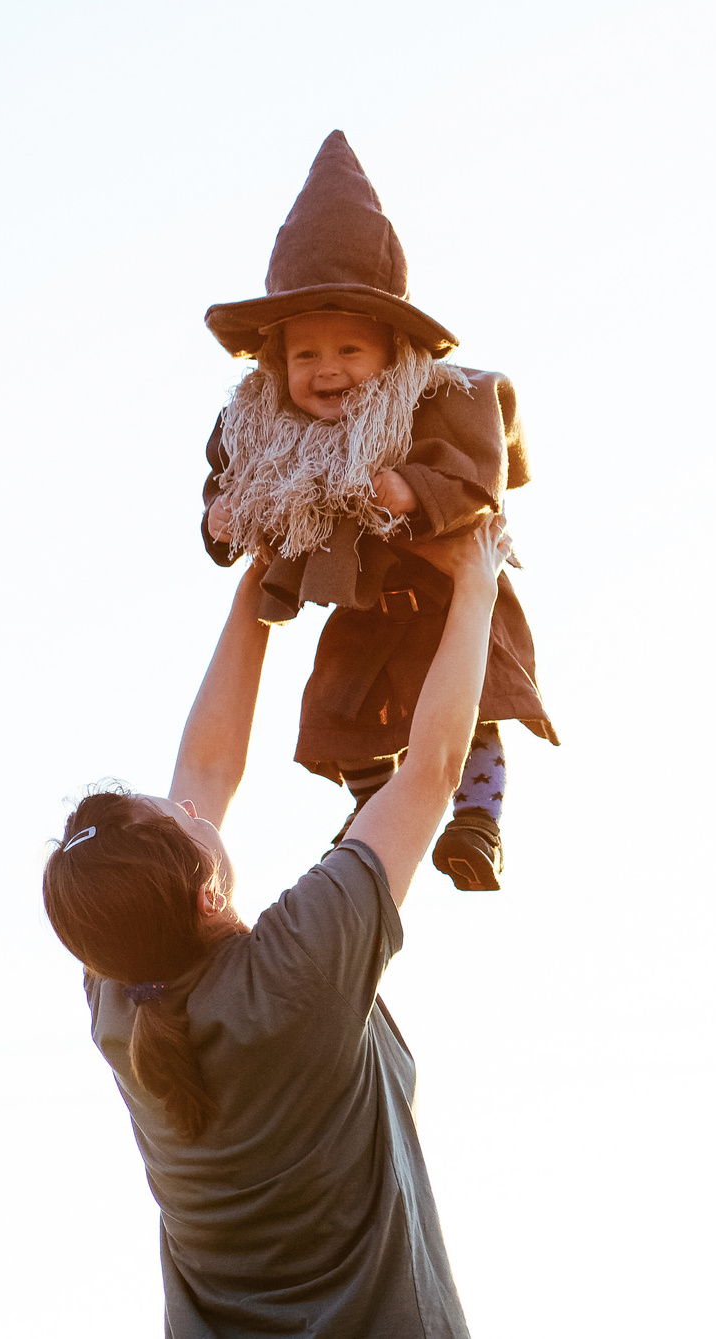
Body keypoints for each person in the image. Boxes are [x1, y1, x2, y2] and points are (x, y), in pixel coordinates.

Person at [42, 514, 511, 1337]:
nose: (187, 800)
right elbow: (434, 771)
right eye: (180, 816)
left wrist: (262, 585)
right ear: (205, 896)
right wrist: (476, 580)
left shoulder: (122, 1001)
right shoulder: (296, 972)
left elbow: (208, 768)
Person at [199, 130, 557, 890]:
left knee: (472, 706)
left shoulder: (435, 402)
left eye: (349, 351)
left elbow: (478, 473)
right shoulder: (264, 428)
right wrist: (220, 519)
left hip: (450, 595)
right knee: (342, 714)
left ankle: (475, 821)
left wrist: (409, 492)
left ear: (393, 351)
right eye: (305, 355)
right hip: (362, 602)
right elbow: (229, 476)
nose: (327, 370)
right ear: (275, 361)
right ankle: (373, 809)